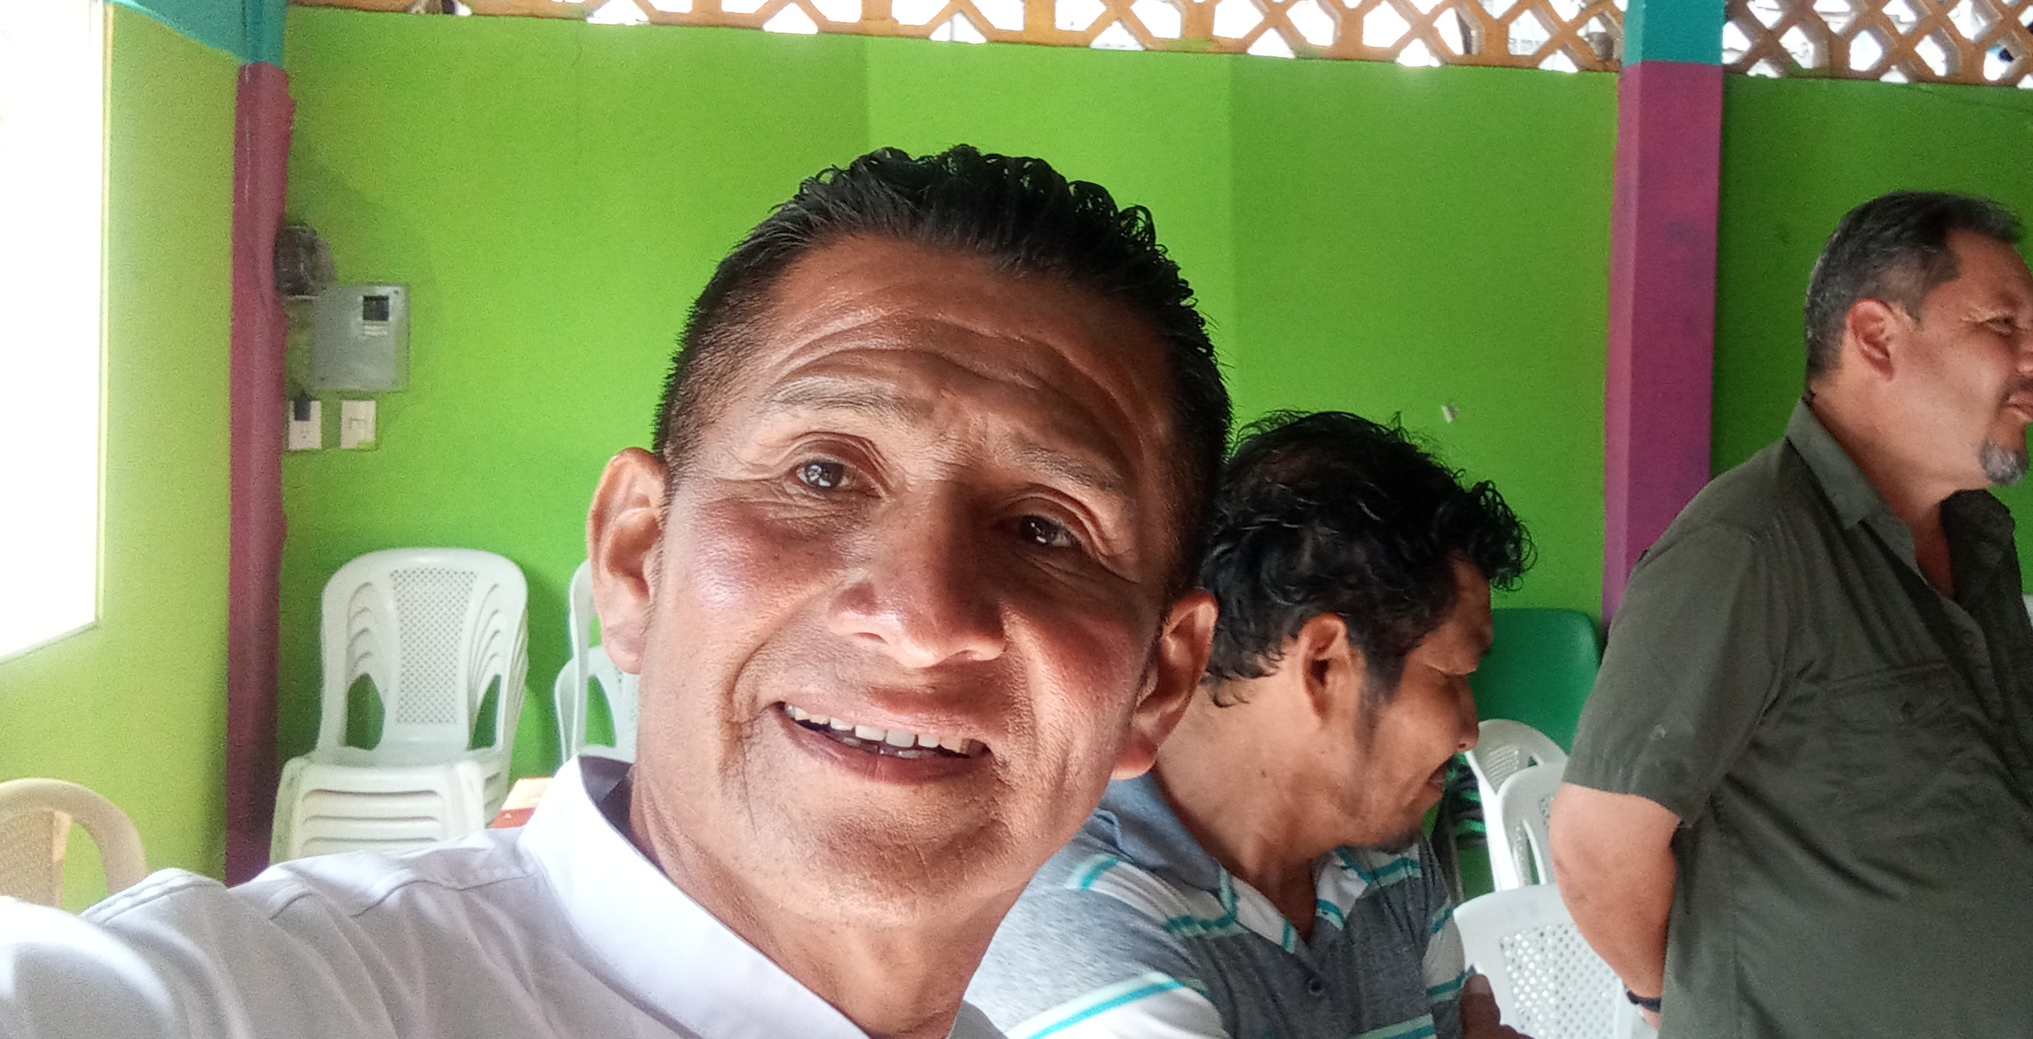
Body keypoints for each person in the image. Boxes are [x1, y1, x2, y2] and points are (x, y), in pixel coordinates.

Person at [0, 146, 1232, 1039]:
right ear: (637, 558)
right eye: (821, 473)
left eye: (1044, 529)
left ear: (1157, 681)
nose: (919, 617)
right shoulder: (289, 998)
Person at [1547, 191, 2033, 1037]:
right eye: (2002, 324)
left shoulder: (1976, 542)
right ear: (1876, 337)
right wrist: (1680, 1004)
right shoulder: (1748, 551)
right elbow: (1597, 848)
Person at [966, 411, 1533, 1039]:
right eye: (1454, 676)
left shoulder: (1387, 860)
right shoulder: (1082, 919)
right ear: (1323, 666)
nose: (1469, 731)